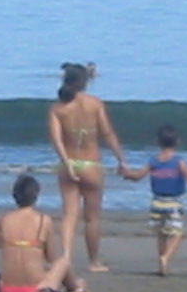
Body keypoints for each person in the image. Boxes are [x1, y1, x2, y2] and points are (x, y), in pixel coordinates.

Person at [48, 63, 128, 272]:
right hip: (91, 165)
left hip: (70, 163)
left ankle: (65, 257)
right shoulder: (95, 104)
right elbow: (108, 134)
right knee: (92, 218)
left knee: (69, 215)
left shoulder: (58, 109)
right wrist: (121, 160)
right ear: (85, 82)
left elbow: (57, 140)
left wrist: (67, 163)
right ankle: (94, 261)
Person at [0, 174, 88, 292]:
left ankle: (70, 286)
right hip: (35, 288)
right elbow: (51, 257)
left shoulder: (3, 220)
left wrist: (8, 242)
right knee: (63, 261)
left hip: (7, 289)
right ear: (36, 196)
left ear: (14, 196)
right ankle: (75, 286)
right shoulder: (43, 220)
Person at [123, 125, 187, 276]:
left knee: (161, 234)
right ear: (177, 142)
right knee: (177, 233)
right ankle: (166, 258)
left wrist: (128, 174)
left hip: (156, 202)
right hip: (173, 202)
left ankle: (162, 262)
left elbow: (138, 176)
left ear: (158, 142)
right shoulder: (178, 161)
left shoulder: (153, 161)